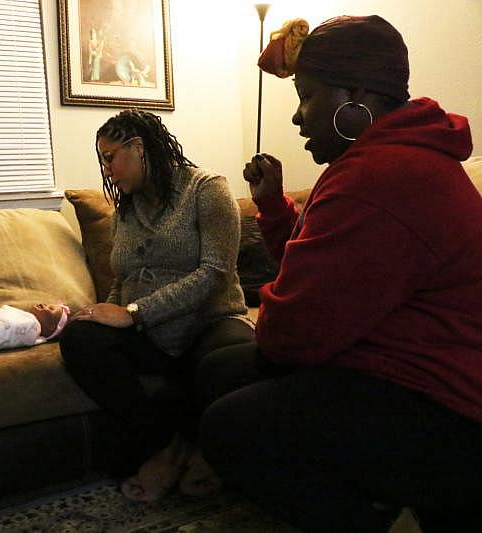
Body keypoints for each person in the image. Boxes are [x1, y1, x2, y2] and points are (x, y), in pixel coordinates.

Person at [196, 15, 482, 532]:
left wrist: (279, 298)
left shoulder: (381, 177)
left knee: (232, 425)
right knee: (220, 366)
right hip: (400, 367)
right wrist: (276, 212)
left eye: (306, 97)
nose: (299, 119)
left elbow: (289, 336)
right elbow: (323, 281)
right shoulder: (387, 160)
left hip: (450, 411)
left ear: (356, 96)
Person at [60, 109, 254, 502]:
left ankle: (205, 453)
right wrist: (103, 313)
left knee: (232, 358)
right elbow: (124, 277)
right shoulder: (126, 210)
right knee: (80, 339)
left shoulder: (206, 189)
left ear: (139, 147)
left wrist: (134, 313)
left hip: (208, 322)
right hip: (151, 332)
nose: (107, 169)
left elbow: (215, 272)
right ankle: (168, 445)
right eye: (103, 160)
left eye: (111, 157)